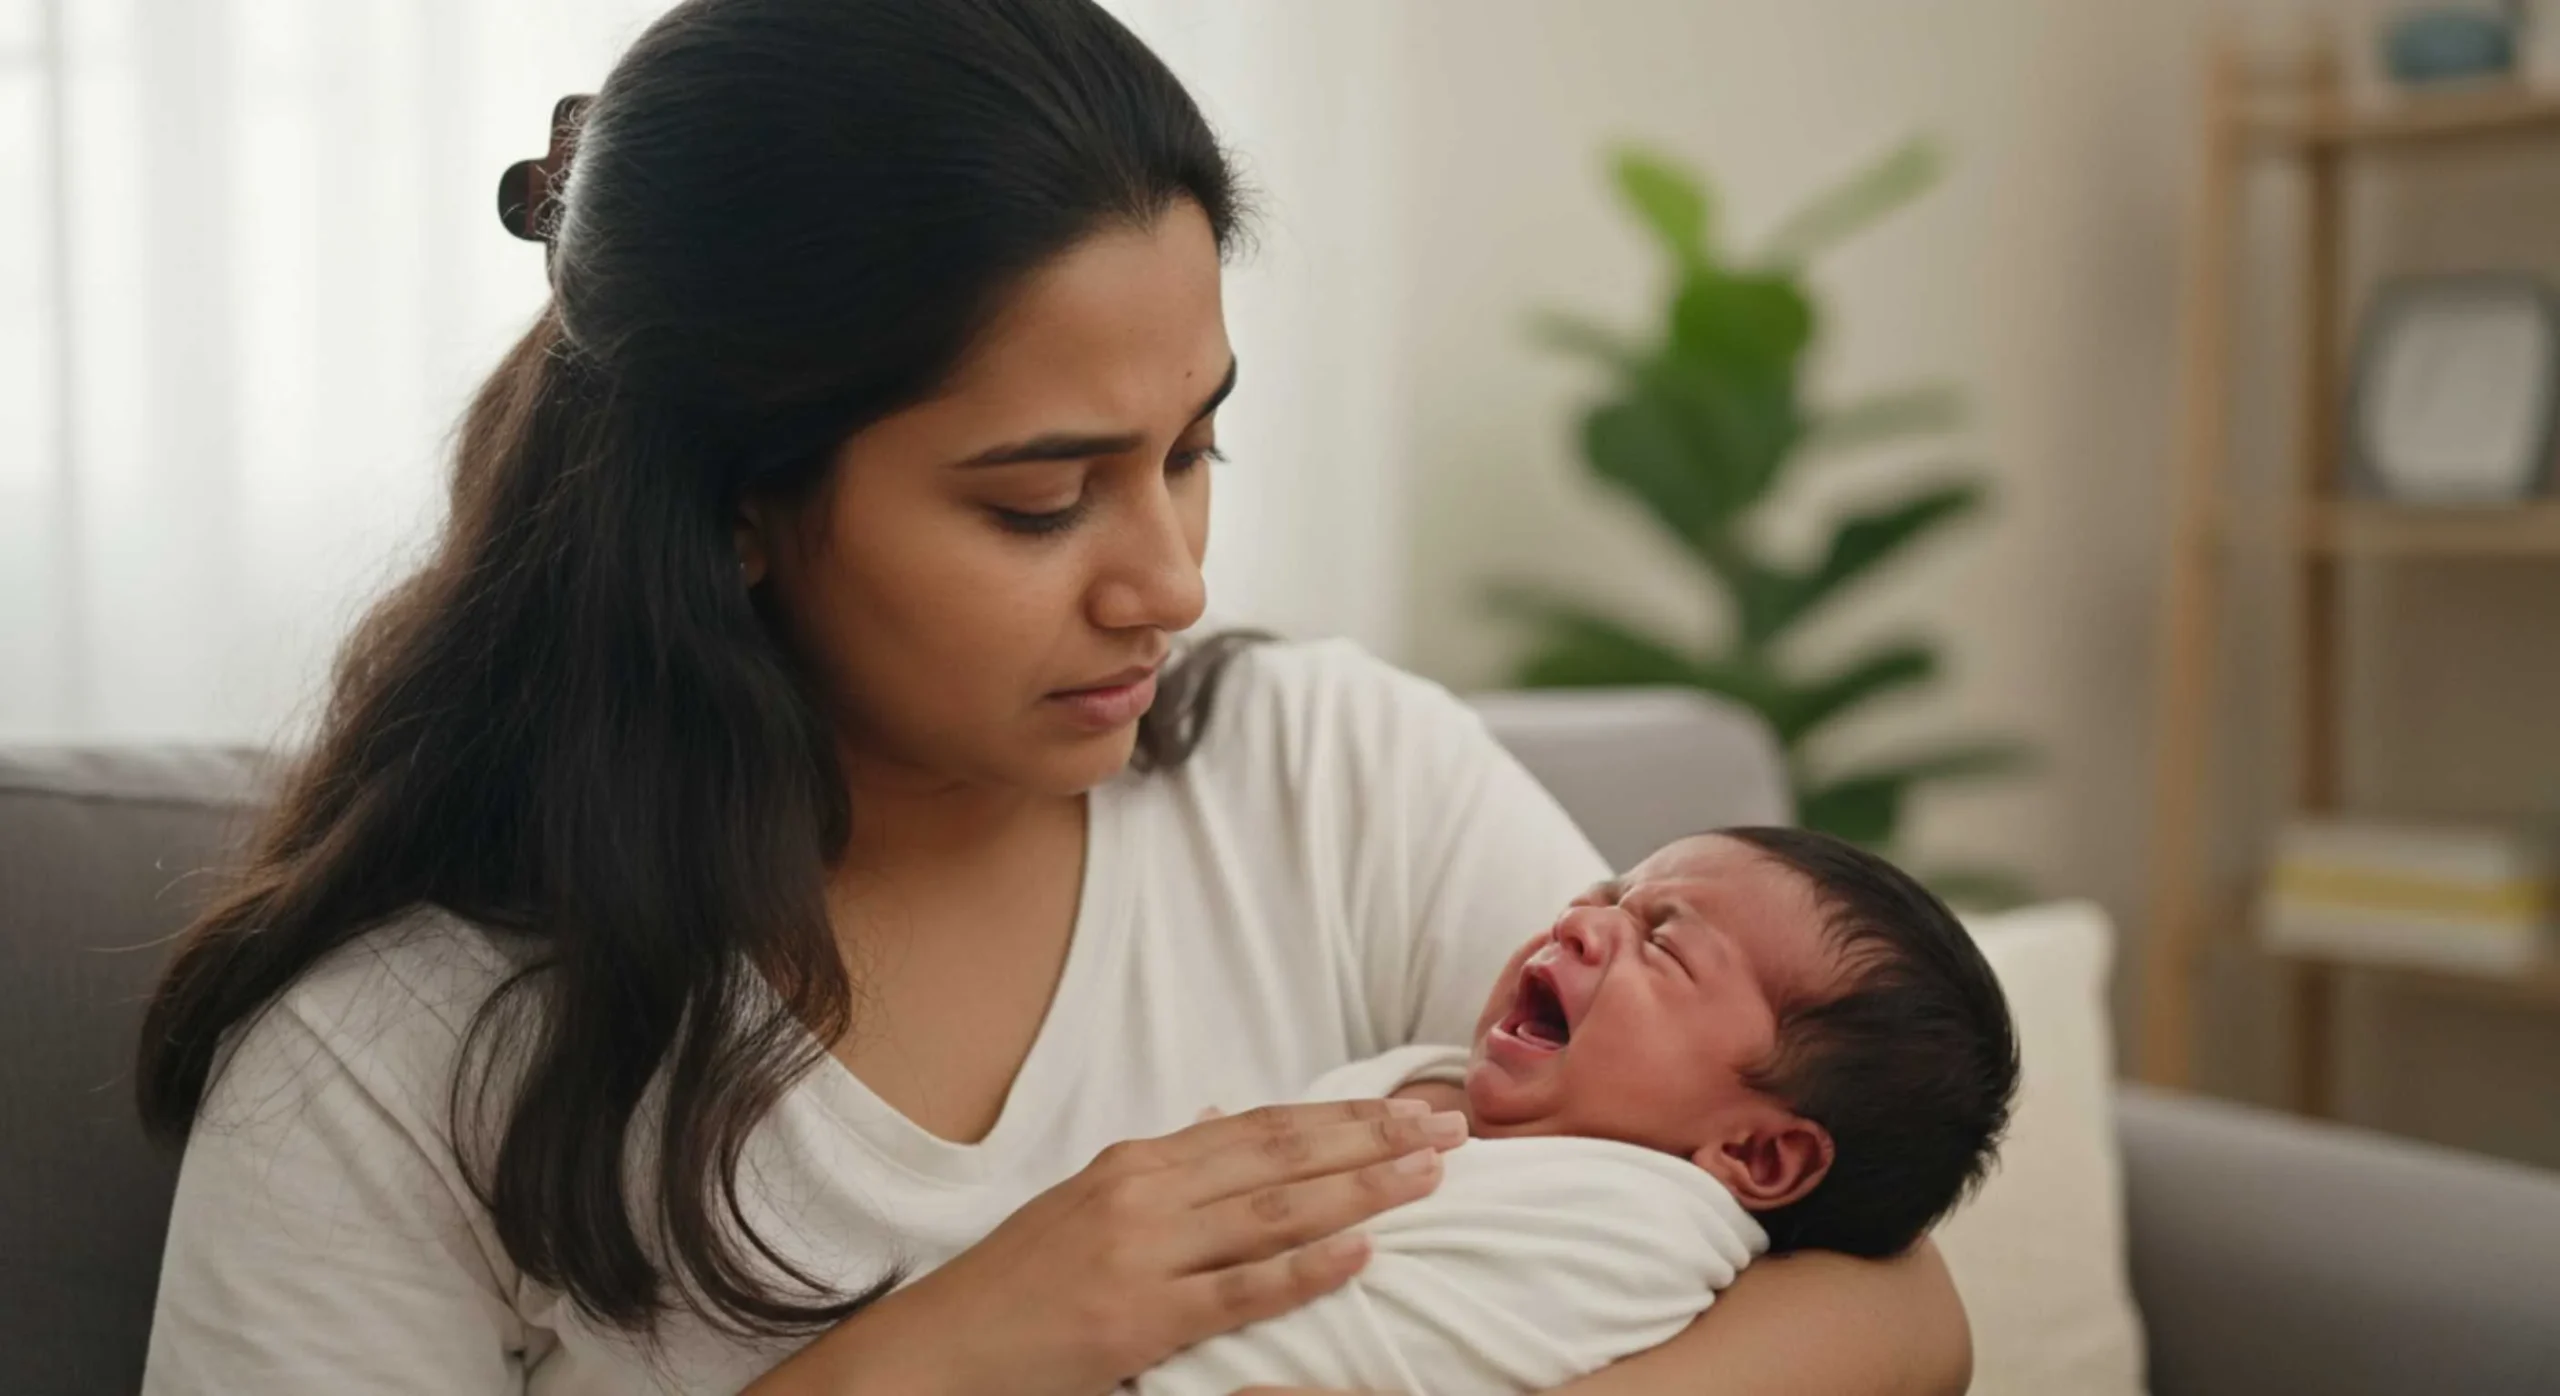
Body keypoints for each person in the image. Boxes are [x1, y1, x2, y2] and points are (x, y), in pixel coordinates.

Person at [131, 1, 1974, 1392]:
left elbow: (1885, 1301)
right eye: (1038, 498)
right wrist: (943, 1350)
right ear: (736, 503)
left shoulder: (1326, 773)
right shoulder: (393, 1067)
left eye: (1194, 449)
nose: (1170, 580)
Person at [1135, 828, 2020, 1394]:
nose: (1578, 923)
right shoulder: (1441, 1076)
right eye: (1605, 899)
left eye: (1664, 944)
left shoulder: (1649, 1227)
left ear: (1759, 1156)